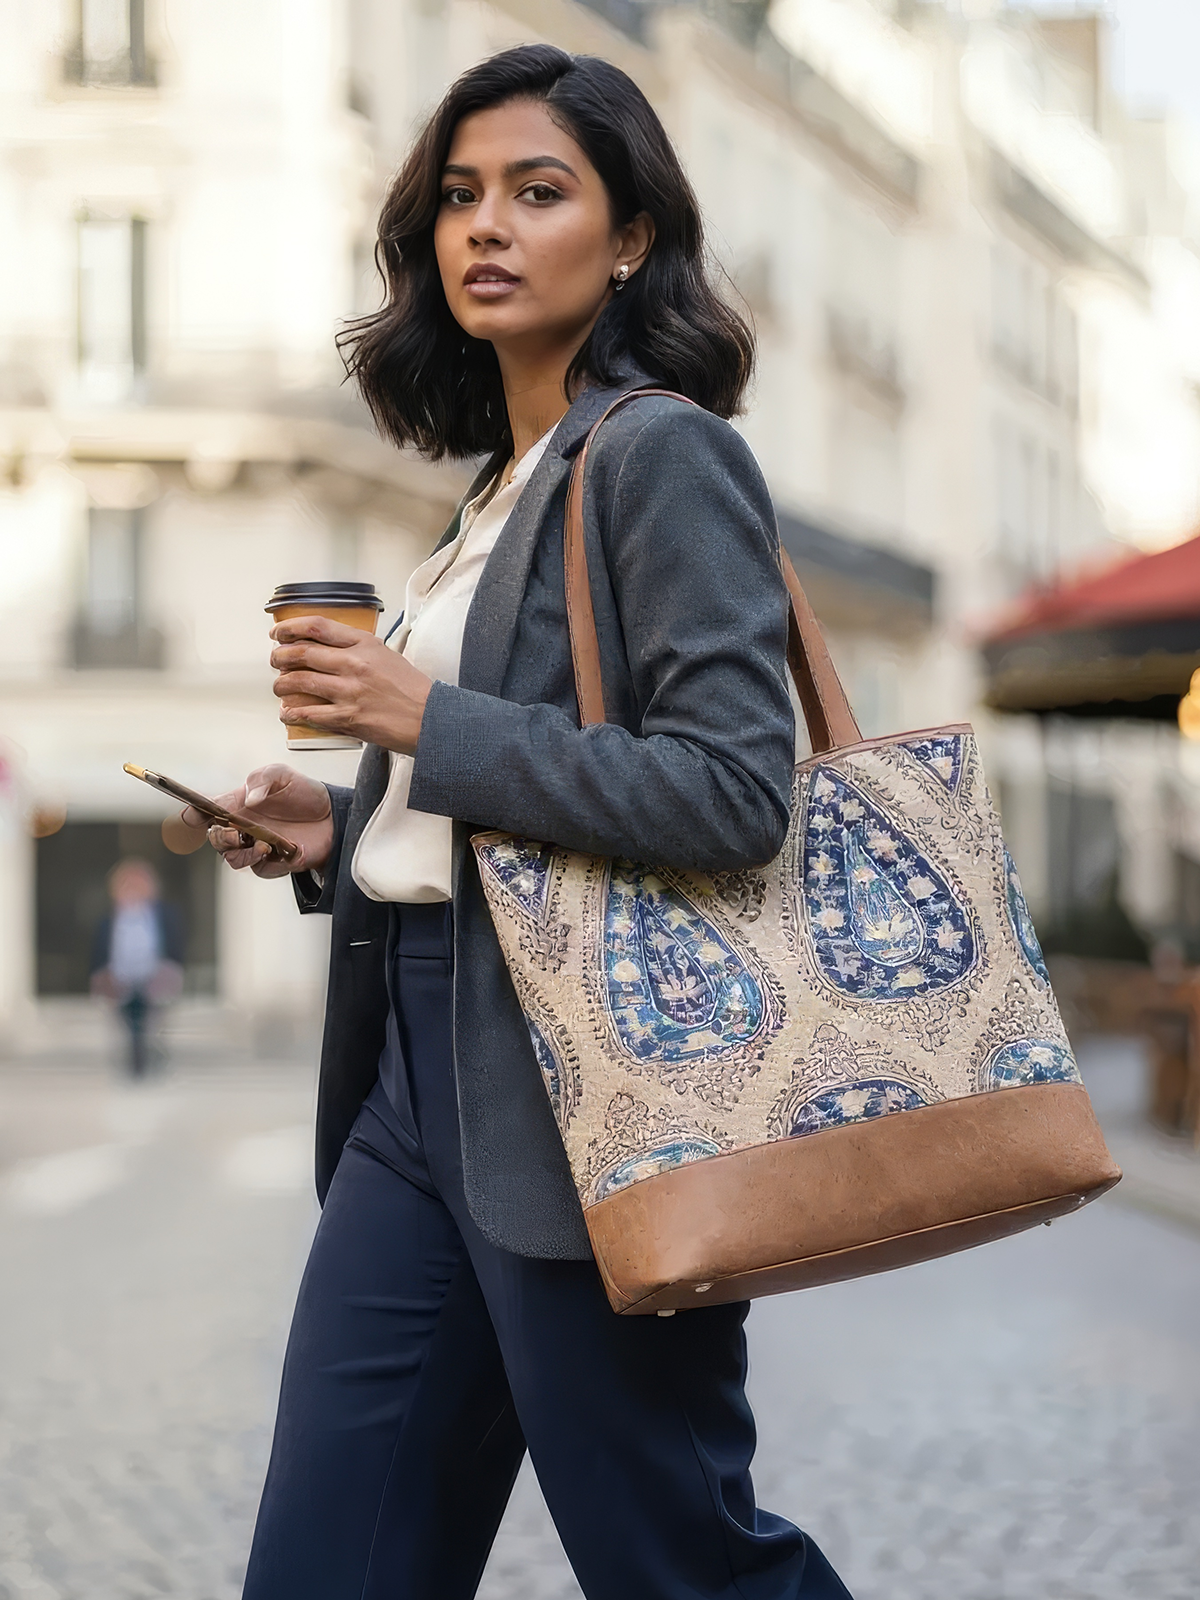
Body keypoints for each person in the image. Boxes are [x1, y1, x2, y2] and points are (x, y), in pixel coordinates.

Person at [185, 44, 854, 1599]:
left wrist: (425, 721)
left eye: (539, 192)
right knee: (326, 1564)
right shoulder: (495, 489)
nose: (486, 224)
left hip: (590, 1091)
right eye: (460, 195)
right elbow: (496, 791)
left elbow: (736, 790)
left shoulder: (662, 454)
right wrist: (338, 830)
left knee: (679, 1561)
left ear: (630, 238)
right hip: (414, 1085)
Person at [90, 858, 184, 1077]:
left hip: (154, 975)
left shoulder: (164, 915)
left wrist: (169, 970)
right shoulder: (108, 918)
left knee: (153, 1018)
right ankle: (130, 1055)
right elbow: (99, 951)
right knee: (122, 1018)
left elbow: (176, 946)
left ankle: (151, 1053)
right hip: (119, 976)